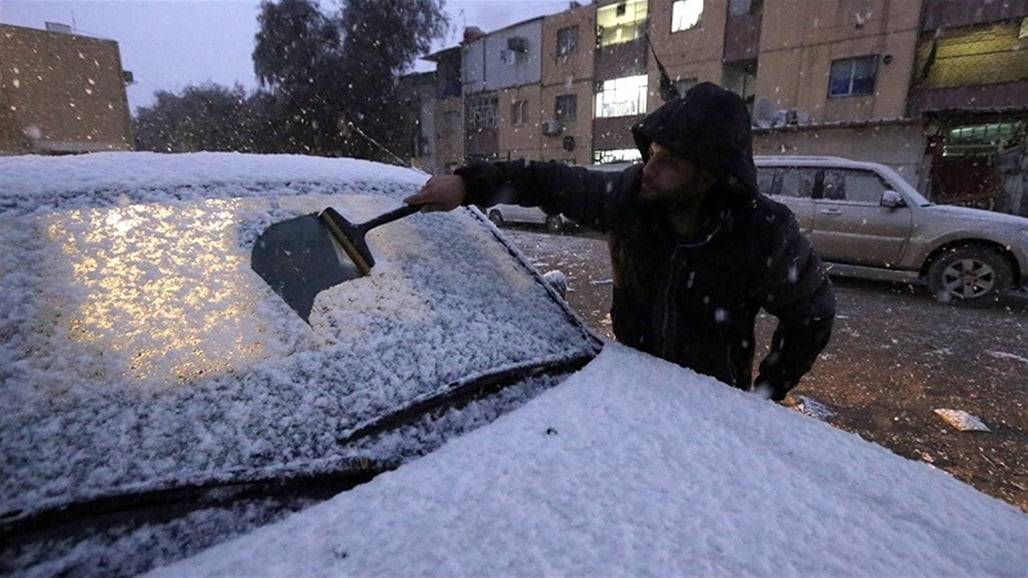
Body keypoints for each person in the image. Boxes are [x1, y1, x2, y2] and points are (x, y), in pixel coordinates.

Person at [405, 82, 834, 402]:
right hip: (629, 386)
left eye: (670, 162)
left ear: (710, 176)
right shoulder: (628, 200)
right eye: (654, 152)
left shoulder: (763, 232)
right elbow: (546, 181)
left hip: (711, 404)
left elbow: (812, 314)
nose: (649, 168)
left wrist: (765, 394)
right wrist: (467, 185)